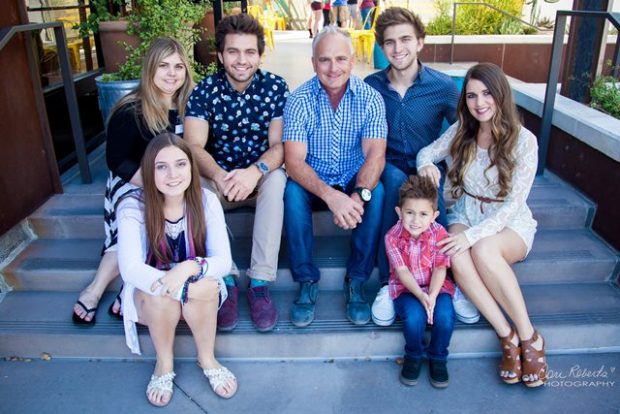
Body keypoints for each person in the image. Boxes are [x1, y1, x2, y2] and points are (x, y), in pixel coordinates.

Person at [417, 62, 547, 388]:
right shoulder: (463, 129)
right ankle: (507, 336)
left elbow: (513, 204)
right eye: (472, 95)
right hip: (466, 211)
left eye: (487, 93)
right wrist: (426, 166)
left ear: (501, 94)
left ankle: (529, 337)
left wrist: (473, 237)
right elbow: (426, 152)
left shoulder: (524, 141)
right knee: (455, 253)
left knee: (484, 250)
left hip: (508, 221)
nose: (479, 103)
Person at [364, 7, 477, 328]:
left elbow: (465, 129)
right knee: (394, 184)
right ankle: (389, 284)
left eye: (405, 39)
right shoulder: (370, 86)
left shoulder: (442, 86)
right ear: (381, 47)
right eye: (389, 42)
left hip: (426, 163)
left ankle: (448, 283)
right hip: (387, 162)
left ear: (420, 42)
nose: (397, 48)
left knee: (430, 193)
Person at [72, 37, 194, 325]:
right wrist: (155, 189)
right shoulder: (131, 109)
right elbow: (117, 160)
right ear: (150, 68)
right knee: (135, 220)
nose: (172, 73)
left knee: (177, 214)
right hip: (133, 180)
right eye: (163, 66)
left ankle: (129, 290)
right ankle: (95, 290)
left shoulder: (192, 106)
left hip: (176, 183)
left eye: (178, 66)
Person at [184, 14, 289, 333]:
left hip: (258, 180)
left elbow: (280, 146)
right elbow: (193, 146)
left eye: (249, 52)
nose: (242, 60)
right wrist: (219, 175)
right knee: (194, 183)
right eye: (233, 51)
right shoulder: (204, 91)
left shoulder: (275, 87)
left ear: (259, 54)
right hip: (220, 183)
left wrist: (254, 172)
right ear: (220, 55)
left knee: (277, 179)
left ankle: (259, 282)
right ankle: (225, 279)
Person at [117, 133, 236, 406]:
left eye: (181, 164)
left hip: (195, 284)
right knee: (165, 296)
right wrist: (180, 288)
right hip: (151, 296)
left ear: (191, 168)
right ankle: (164, 364)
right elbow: (131, 269)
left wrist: (188, 267)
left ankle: (207, 358)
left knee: (206, 285)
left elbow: (223, 261)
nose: (173, 174)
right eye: (162, 167)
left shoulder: (206, 200)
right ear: (150, 171)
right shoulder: (132, 206)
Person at [282, 26, 387, 327]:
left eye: (341, 59)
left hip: (353, 177)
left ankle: (357, 279)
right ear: (313, 63)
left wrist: (358, 196)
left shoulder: (370, 98)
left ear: (352, 61)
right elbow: (293, 161)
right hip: (314, 181)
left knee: (377, 191)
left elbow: (375, 155)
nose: (333, 68)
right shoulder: (299, 100)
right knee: (291, 192)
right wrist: (332, 197)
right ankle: (306, 280)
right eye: (324, 60)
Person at [385, 175, 454, 388]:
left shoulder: (439, 233)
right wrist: (421, 296)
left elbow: (440, 267)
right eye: (409, 213)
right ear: (399, 212)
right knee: (414, 318)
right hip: (407, 289)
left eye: (423, 214)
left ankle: (438, 357)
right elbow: (402, 271)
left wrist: (431, 296)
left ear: (434, 216)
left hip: (436, 287)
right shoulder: (392, 237)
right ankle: (413, 355)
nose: (416, 220)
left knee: (445, 316)